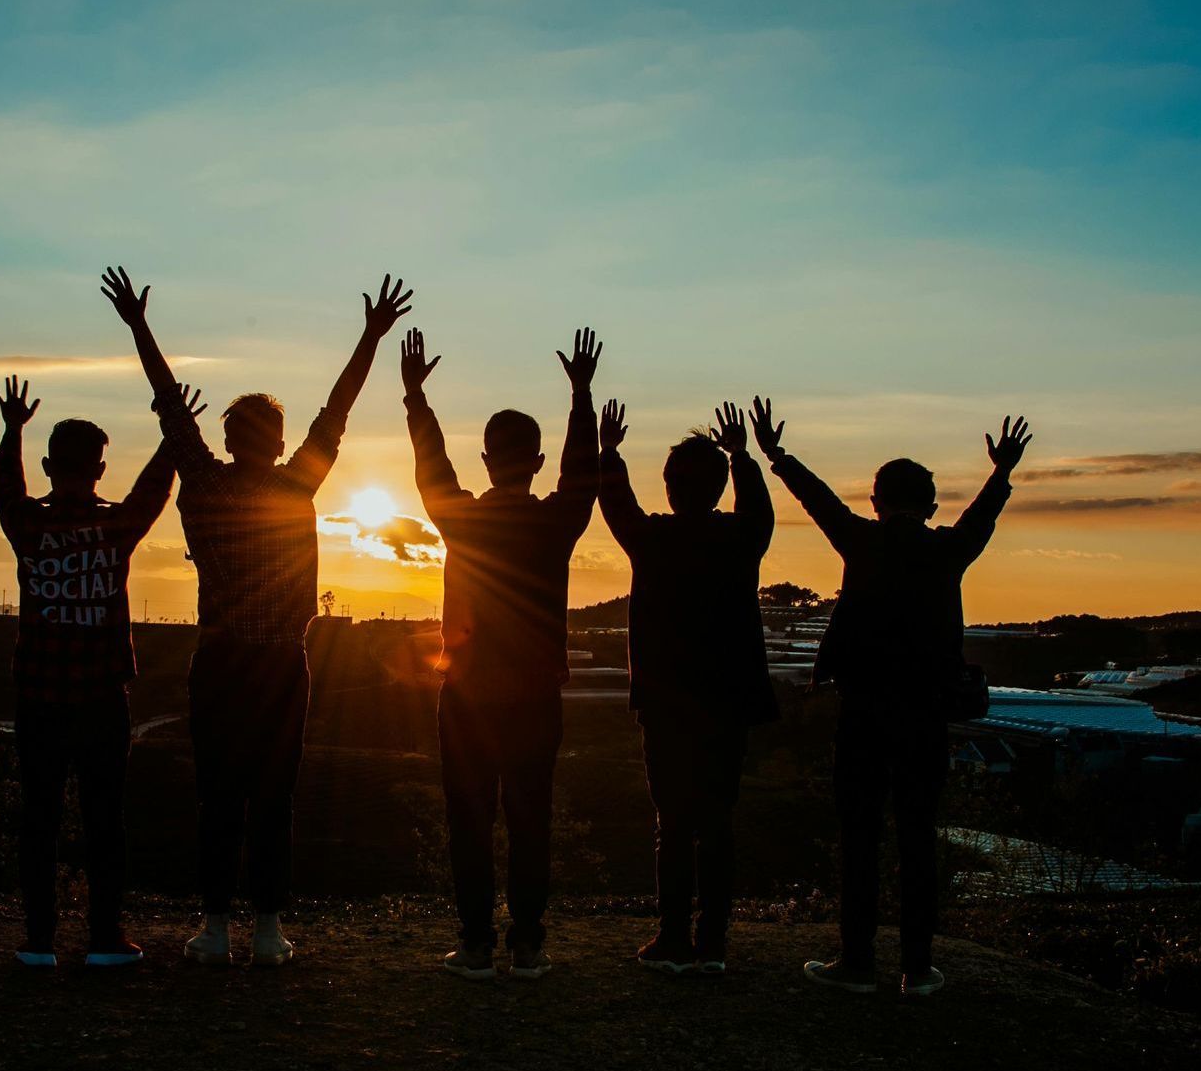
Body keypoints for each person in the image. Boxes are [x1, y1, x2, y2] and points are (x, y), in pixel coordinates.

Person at [102, 264, 412, 967]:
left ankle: (215, 926)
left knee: (219, 795)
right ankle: (268, 927)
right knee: (274, 797)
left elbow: (169, 405)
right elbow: (338, 410)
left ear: (231, 435)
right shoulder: (296, 483)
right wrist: (369, 336)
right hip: (278, 666)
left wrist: (139, 326)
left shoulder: (204, 482)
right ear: (274, 441)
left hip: (220, 662)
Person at [754, 399, 1032, 997]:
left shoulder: (862, 541)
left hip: (861, 712)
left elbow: (818, 499)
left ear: (875, 501)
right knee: (918, 836)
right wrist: (1001, 471)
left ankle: (856, 961)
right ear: (931, 506)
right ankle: (917, 966)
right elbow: (983, 515)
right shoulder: (947, 550)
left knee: (858, 836)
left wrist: (776, 454)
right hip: (927, 715)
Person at [402, 326, 600, 980]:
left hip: (466, 694)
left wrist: (416, 401)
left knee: (470, 820)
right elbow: (583, 476)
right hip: (536, 695)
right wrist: (581, 397)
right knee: (529, 818)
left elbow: (432, 470)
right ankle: (528, 945)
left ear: (486, 460)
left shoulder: (462, 518)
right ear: (535, 461)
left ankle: (478, 943)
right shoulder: (555, 523)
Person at [0, 375, 206, 969]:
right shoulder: (116, 527)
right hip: (103, 697)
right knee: (105, 819)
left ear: (49, 464)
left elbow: (4, 487)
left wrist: (10, 429)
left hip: (37, 694)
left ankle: (37, 940)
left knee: (40, 818)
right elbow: (155, 489)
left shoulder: (28, 526)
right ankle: (105, 938)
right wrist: (172, 432)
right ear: (101, 468)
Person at [598, 399, 776, 975]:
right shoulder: (742, 538)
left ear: (670, 487)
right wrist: (744, 457)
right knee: (718, 821)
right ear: (720, 486)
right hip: (728, 703)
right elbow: (760, 511)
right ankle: (713, 943)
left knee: (672, 823)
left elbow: (615, 504)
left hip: (666, 705)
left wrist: (609, 452)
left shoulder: (653, 540)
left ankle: (672, 938)